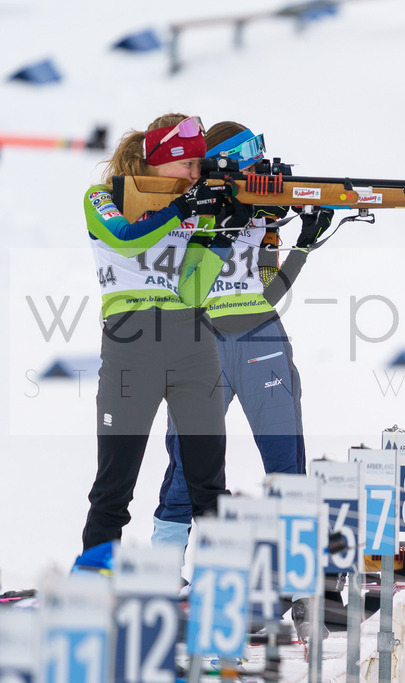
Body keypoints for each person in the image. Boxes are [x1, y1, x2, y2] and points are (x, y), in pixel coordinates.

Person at [151, 121, 334, 552]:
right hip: (200, 344)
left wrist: (303, 245)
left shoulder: (261, 210)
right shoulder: (180, 203)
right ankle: (161, 575)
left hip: (258, 339)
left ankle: (296, 578)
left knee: (286, 469)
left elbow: (268, 289)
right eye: (250, 154)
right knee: (184, 472)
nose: (259, 162)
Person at [77, 113, 250, 565]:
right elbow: (127, 238)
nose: (197, 175)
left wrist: (225, 232)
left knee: (209, 486)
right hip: (131, 343)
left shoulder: (192, 208)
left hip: (192, 341)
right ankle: (95, 582)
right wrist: (181, 209)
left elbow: (193, 290)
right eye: (190, 165)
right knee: (114, 487)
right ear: (163, 160)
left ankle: (220, 588)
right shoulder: (104, 197)